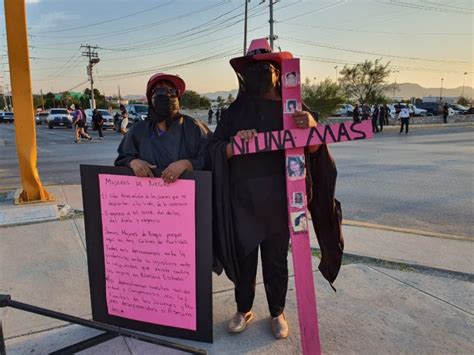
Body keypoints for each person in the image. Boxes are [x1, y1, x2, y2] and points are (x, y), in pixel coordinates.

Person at [208, 38, 343, 340]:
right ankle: (243, 309)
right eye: (253, 67)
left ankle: (277, 311)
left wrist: (311, 129)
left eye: (266, 66)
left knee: (276, 261)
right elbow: (213, 149)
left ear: (279, 71)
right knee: (244, 260)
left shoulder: (294, 108)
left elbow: (317, 150)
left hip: (282, 200)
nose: (260, 72)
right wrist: (233, 146)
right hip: (242, 201)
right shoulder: (234, 112)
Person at [115, 73, 211, 183]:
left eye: (172, 92)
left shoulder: (194, 127)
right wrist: (133, 162)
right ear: (150, 97)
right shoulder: (138, 130)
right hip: (149, 196)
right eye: (160, 91)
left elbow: (213, 157)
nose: (168, 95)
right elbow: (122, 159)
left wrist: (188, 164)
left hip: (188, 197)